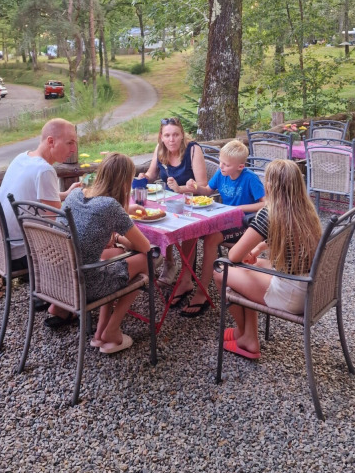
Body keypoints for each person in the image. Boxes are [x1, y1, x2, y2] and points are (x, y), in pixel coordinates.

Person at [213, 159, 322, 359]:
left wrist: (245, 252)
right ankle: (248, 335)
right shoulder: (305, 210)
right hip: (310, 288)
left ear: (270, 186)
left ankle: (245, 335)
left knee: (221, 270)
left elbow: (233, 255)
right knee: (246, 266)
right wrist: (256, 250)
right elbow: (283, 237)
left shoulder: (269, 213)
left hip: (291, 294)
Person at [63, 153, 151, 354]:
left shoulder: (75, 195)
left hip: (61, 281)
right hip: (86, 286)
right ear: (125, 182)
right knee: (150, 260)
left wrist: (117, 239)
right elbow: (145, 247)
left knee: (111, 261)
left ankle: (101, 331)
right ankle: (111, 330)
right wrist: (121, 240)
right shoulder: (110, 206)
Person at [0, 118, 80, 327]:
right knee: (84, 243)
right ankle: (66, 302)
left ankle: (49, 296)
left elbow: (36, 198)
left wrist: (65, 194)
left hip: (2, 245)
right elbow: (57, 223)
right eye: (70, 142)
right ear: (51, 141)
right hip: (21, 253)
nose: (74, 148)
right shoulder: (44, 170)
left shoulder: (22, 158)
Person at [183, 139, 265, 317]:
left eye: (226, 164)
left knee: (211, 239)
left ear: (240, 166)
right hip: (224, 221)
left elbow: (265, 205)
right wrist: (196, 187)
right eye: (220, 162)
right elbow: (207, 191)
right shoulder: (221, 174)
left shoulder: (250, 178)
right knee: (191, 230)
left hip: (244, 225)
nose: (221, 167)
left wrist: (241, 208)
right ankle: (184, 281)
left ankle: (202, 291)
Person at [138, 117, 208, 301]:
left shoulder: (193, 150)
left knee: (188, 228)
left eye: (175, 135)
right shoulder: (160, 149)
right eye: (167, 135)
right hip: (168, 201)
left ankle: (185, 278)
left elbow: (202, 186)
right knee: (148, 217)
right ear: (161, 136)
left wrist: (182, 188)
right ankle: (167, 263)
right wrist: (142, 177)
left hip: (192, 202)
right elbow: (152, 175)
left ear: (182, 135)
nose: (171, 140)